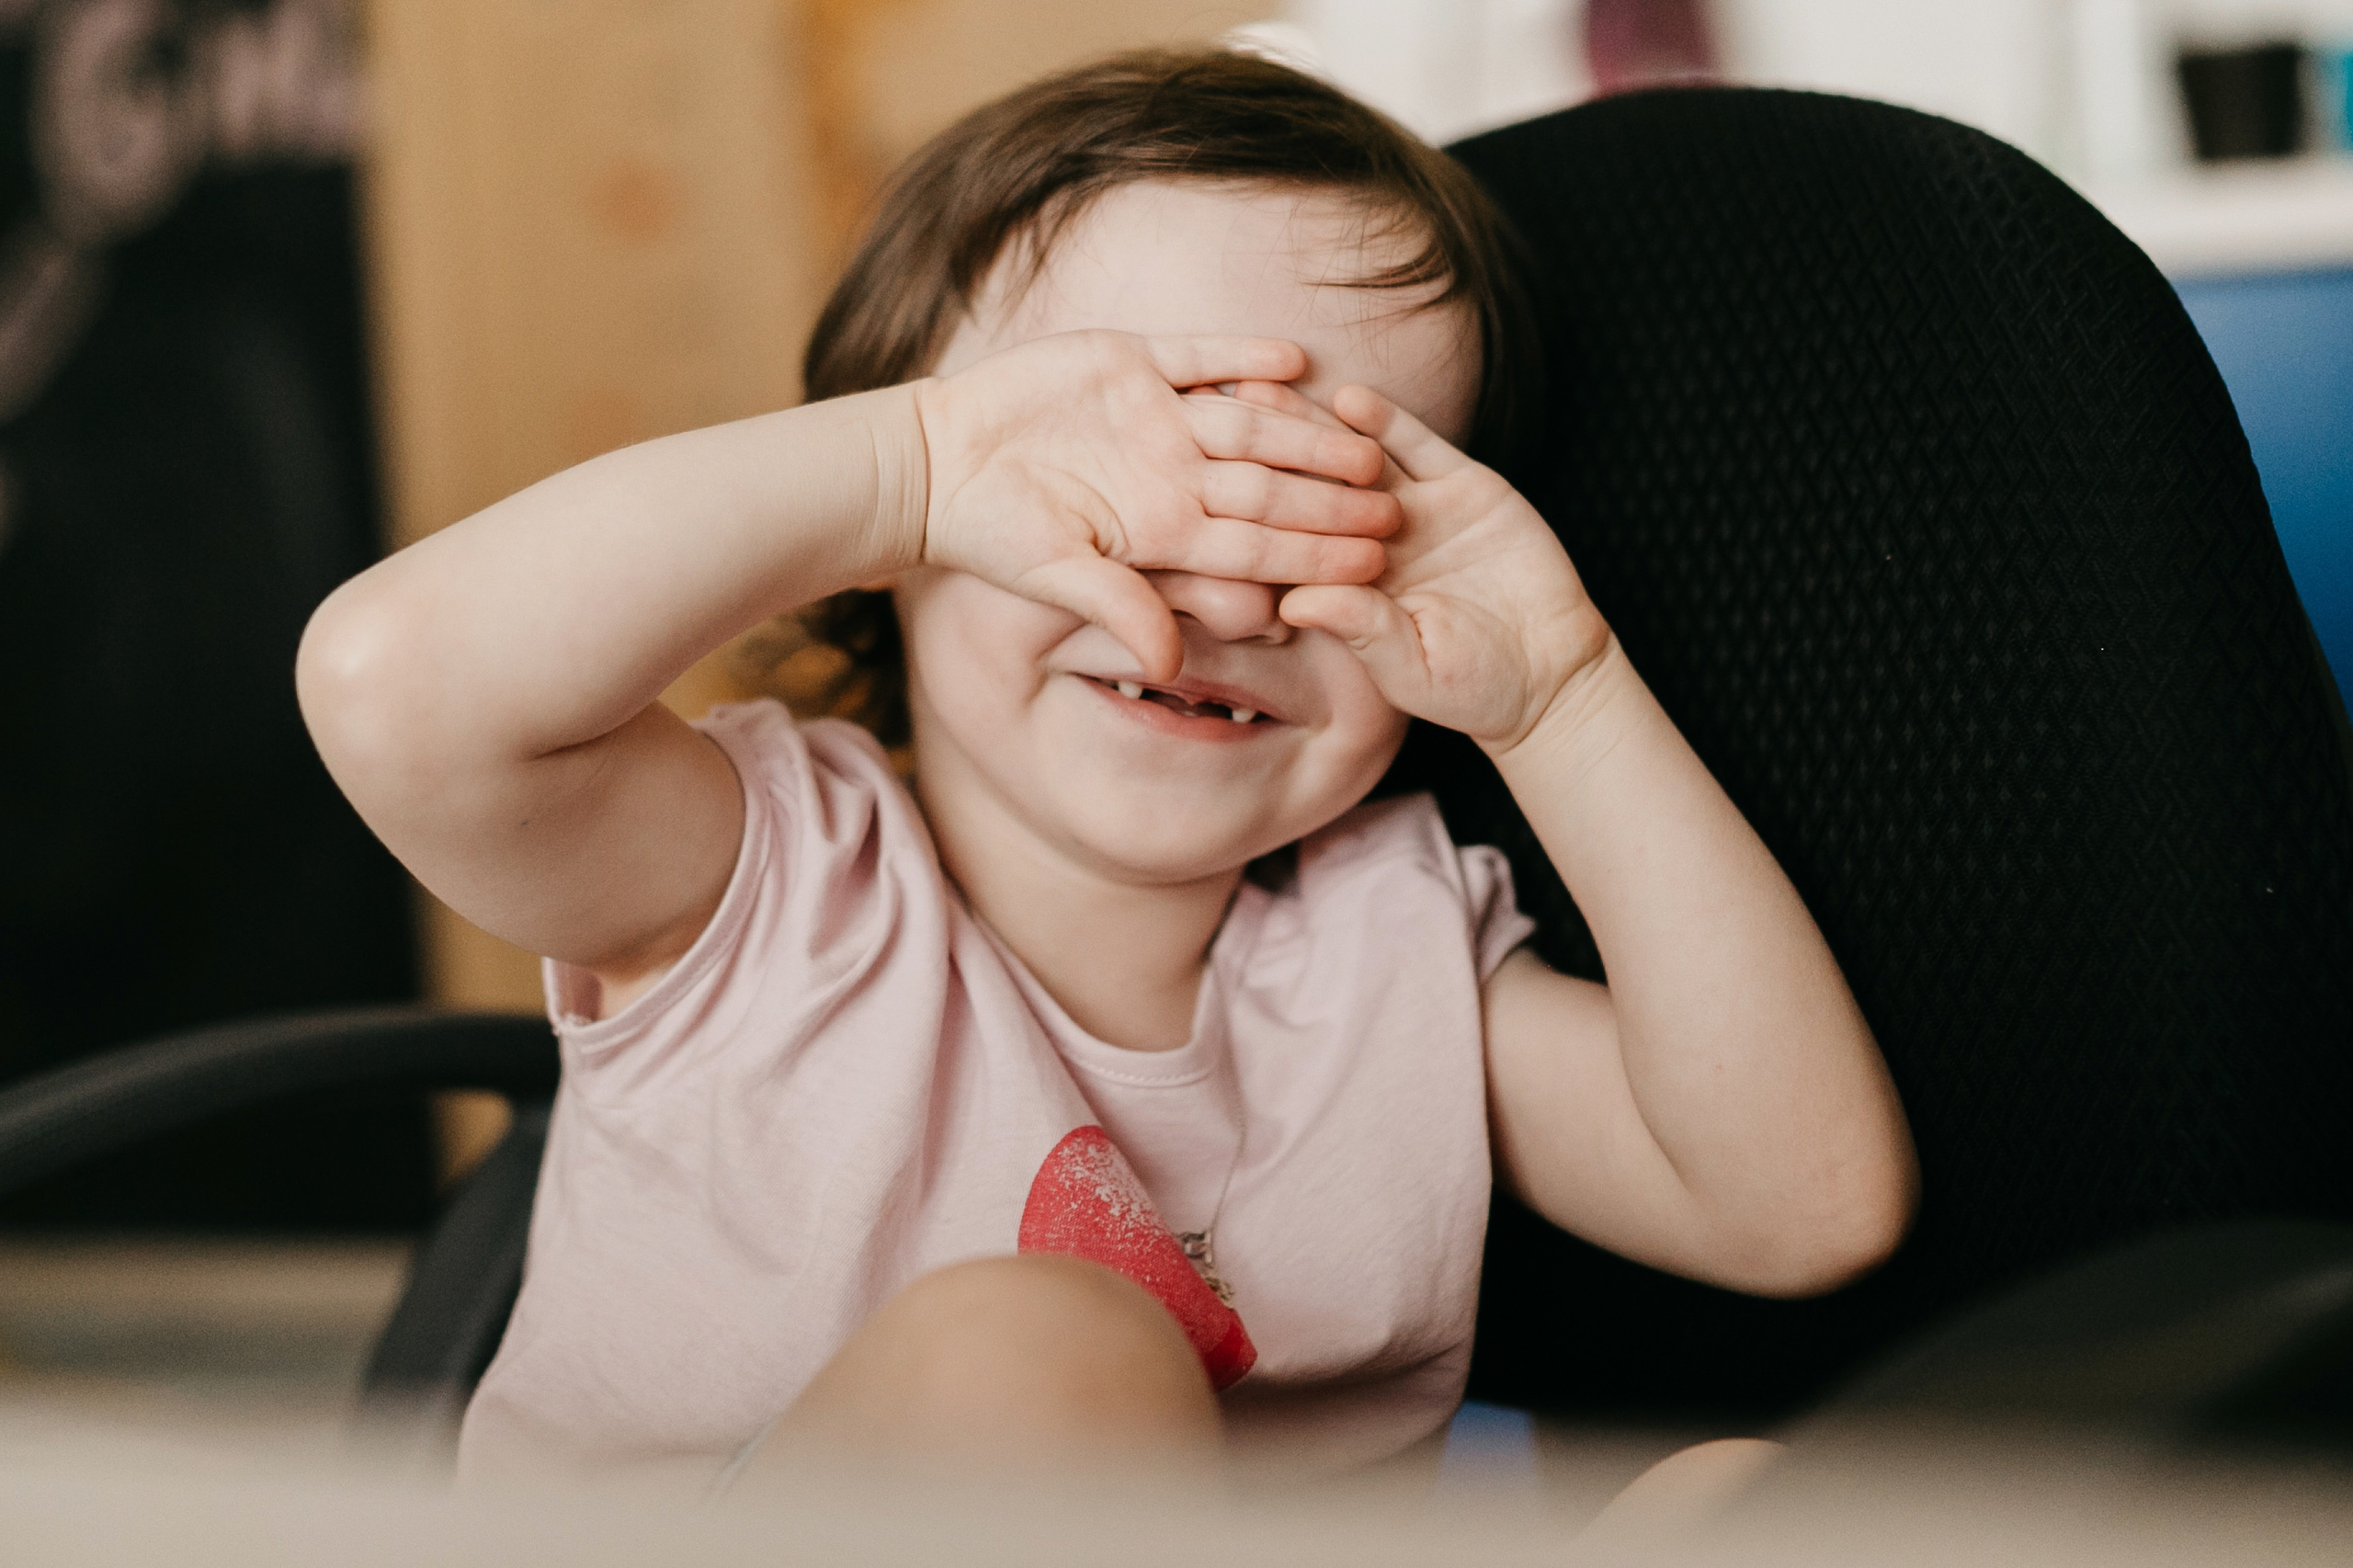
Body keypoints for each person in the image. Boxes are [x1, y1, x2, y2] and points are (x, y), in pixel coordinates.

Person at [298, 48, 1917, 1505]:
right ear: (905, 535)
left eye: (1321, 519)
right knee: (1040, 1355)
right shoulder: (753, 876)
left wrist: (1560, 692)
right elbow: (394, 693)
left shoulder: (1390, 958)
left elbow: (1803, 1204)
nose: (1216, 600)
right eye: (1123, 495)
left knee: (1739, 1500)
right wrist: (916, 463)